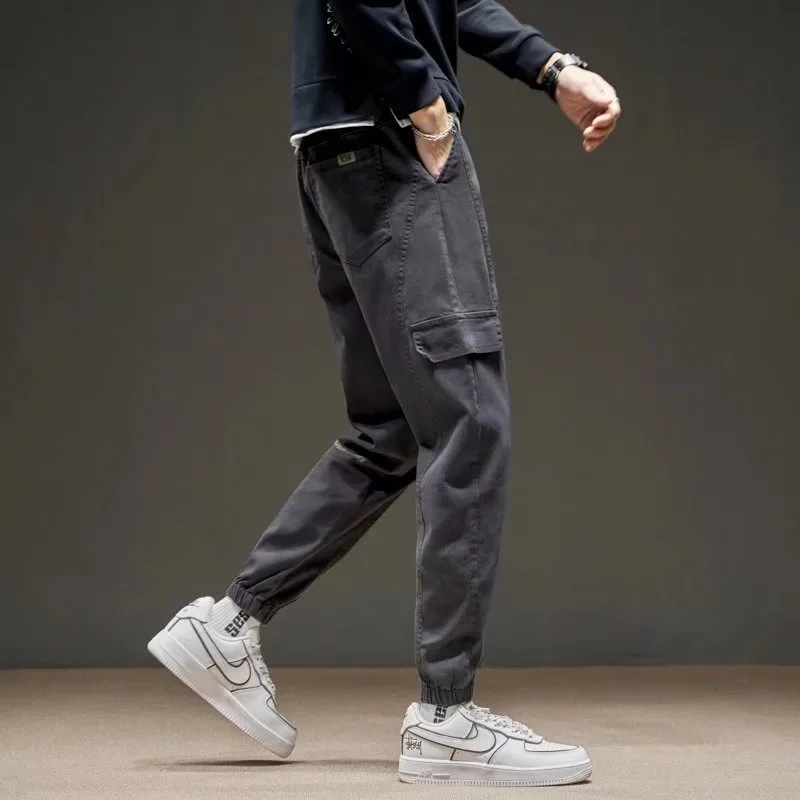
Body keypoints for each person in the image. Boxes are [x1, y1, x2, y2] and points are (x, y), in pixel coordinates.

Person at [148, 0, 621, 787]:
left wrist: (550, 67)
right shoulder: (408, 115)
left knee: (393, 428)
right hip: (390, 139)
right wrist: (421, 100)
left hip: (335, 144)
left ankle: (231, 622)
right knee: (471, 421)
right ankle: (446, 717)